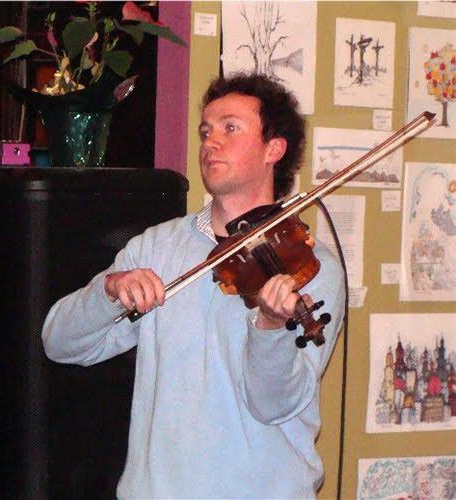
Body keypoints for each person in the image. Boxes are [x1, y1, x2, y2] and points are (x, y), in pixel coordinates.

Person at [42, 73, 346, 499]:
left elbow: (273, 405)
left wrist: (270, 329)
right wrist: (109, 291)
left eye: (230, 128)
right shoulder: (156, 247)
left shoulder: (310, 267)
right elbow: (59, 343)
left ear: (273, 149)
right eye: (206, 131)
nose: (210, 142)